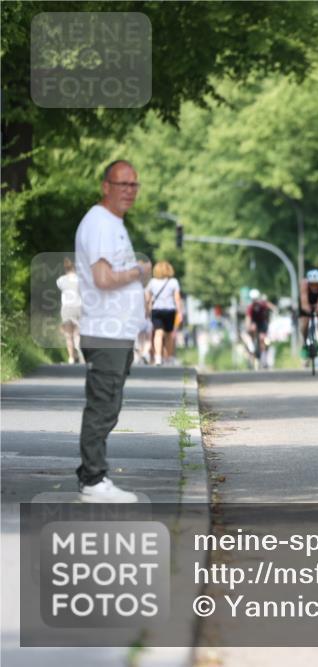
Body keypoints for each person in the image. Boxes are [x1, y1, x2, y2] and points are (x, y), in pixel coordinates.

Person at [74, 159, 150, 503]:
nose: (129, 192)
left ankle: (94, 477)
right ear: (106, 186)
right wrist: (138, 272)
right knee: (103, 407)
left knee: (109, 406)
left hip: (117, 332)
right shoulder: (100, 223)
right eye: (122, 185)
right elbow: (104, 279)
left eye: (134, 185)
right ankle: (93, 480)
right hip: (105, 331)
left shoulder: (112, 223)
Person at [145, 260, 183, 366]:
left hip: (156, 310)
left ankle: (158, 357)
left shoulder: (152, 282)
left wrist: (146, 311)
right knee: (169, 335)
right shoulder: (173, 282)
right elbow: (177, 299)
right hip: (170, 310)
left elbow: (147, 299)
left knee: (158, 333)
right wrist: (180, 312)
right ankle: (169, 358)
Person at [56, 256, 83, 363]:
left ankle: (71, 357)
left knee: (68, 335)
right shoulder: (80, 280)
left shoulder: (61, 280)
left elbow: (60, 287)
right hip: (79, 307)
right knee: (77, 333)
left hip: (66, 308)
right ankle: (80, 351)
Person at [299, 269, 318, 358]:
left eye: (316, 284)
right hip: (307, 300)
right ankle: (304, 342)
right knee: (304, 322)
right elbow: (304, 301)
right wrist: (307, 310)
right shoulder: (304, 285)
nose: (314, 287)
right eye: (312, 284)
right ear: (308, 283)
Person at [245, 289, 277, 368]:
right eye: (253, 299)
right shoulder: (250, 307)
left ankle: (264, 359)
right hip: (254, 323)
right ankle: (253, 345)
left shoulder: (262, 304)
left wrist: (274, 309)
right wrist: (248, 327)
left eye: (256, 299)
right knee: (252, 330)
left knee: (263, 339)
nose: (255, 301)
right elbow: (248, 318)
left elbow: (270, 306)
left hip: (262, 323)